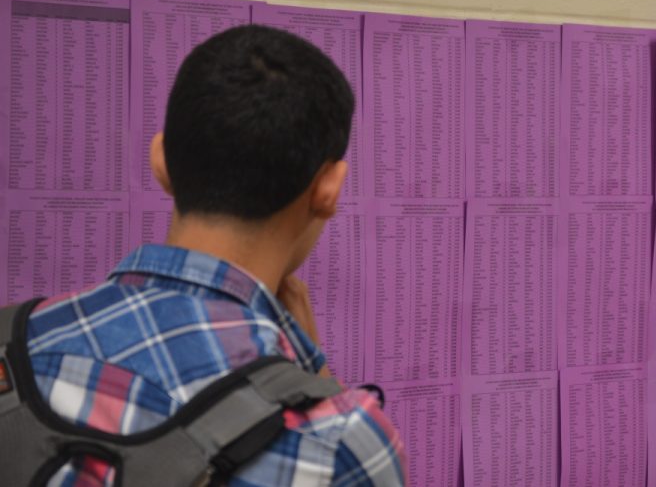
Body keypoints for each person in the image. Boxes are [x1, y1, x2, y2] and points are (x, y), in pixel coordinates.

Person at [21, 25, 407, 485]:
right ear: (328, 189)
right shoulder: (340, 444)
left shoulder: (13, 347)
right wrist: (317, 379)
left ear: (161, 161)